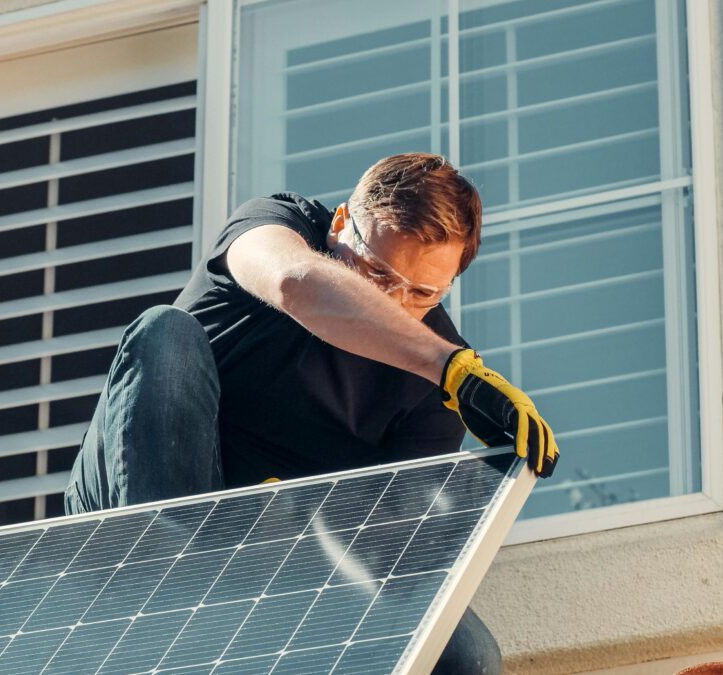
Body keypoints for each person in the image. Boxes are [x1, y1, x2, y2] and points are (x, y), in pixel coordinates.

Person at [63, 153, 559, 674]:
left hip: (276, 564)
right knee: (165, 332)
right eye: (376, 274)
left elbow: (388, 556)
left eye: (422, 293)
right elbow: (293, 280)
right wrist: (449, 367)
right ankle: (177, 594)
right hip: (147, 509)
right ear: (341, 224)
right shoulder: (279, 225)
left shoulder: (433, 392)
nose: (394, 301)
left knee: (465, 654)